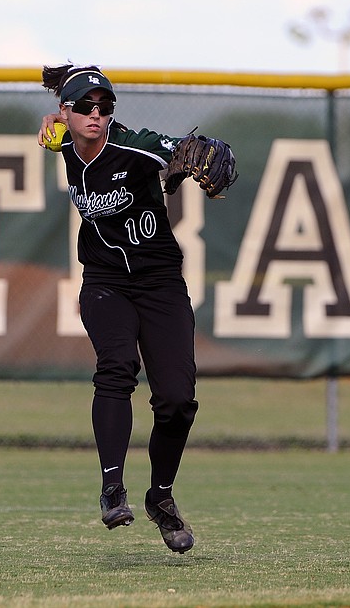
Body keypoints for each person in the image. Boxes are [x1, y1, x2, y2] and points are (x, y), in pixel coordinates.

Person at [37, 63, 232, 554]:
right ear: (66, 110)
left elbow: (172, 152)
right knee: (117, 367)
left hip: (159, 283)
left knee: (177, 399)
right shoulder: (62, 136)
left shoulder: (132, 145)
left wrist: (194, 159)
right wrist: (52, 115)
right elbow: (55, 127)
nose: (96, 114)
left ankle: (161, 497)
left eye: (105, 106)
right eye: (85, 106)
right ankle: (112, 489)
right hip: (104, 282)